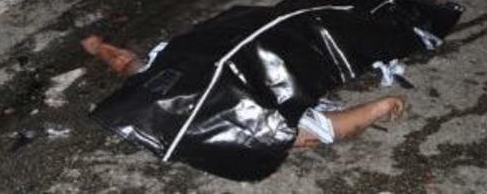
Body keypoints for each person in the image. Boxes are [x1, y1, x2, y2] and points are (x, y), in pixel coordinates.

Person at [81, 35, 407, 148]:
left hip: (217, 66)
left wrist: (100, 48)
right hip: (223, 85)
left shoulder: (163, 77)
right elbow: (325, 130)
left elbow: (128, 64)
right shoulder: (261, 120)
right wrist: (378, 108)